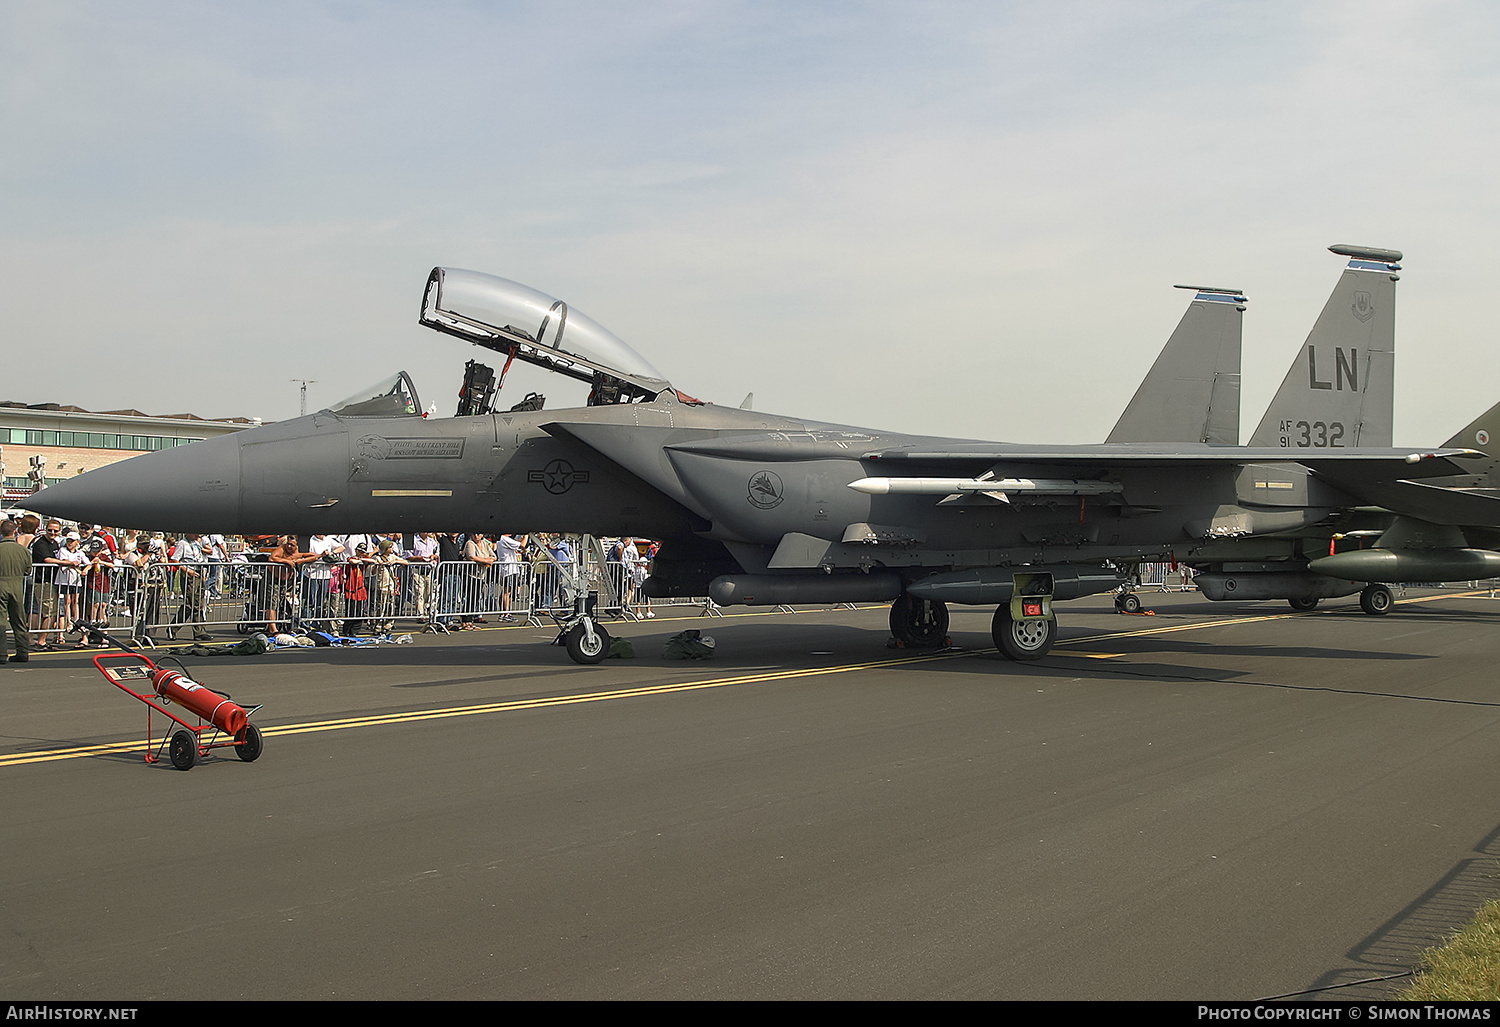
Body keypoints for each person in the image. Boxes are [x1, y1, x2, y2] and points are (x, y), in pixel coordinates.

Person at [0, 519, 33, 663]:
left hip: (1, 584)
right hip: (17, 585)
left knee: (1, 621)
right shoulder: (23, 551)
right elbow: (28, 570)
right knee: (19, 620)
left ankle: (1, 654)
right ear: (15, 531)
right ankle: (22, 651)